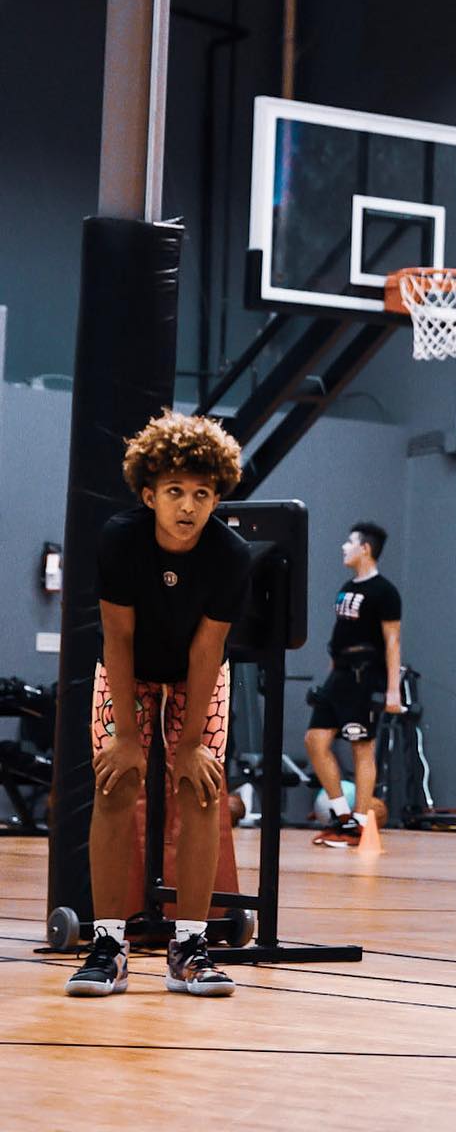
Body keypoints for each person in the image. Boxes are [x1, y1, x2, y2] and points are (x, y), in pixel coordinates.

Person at [67, 411, 250, 998]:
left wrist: (191, 744)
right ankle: (108, 945)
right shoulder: (120, 539)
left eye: (202, 493)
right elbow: (117, 637)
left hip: (197, 676)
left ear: (216, 497)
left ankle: (190, 948)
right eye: (175, 491)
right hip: (130, 671)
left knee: (200, 789)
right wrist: (124, 733)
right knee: (114, 784)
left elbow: (207, 648)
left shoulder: (230, 555)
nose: (188, 505)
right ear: (149, 494)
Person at [305, 523, 403, 847]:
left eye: (350, 542)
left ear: (365, 549)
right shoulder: (346, 588)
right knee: (315, 741)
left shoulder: (385, 592)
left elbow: (392, 642)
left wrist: (392, 690)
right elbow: (339, 637)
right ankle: (341, 815)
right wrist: (330, 676)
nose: (344, 547)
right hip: (340, 675)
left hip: (365, 676)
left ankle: (360, 822)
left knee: (362, 747)